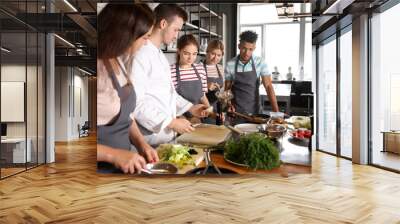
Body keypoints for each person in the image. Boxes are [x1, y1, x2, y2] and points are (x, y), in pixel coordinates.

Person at [131, 4, 208, 146]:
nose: (176, 35)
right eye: (176, 29)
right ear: (163, 24)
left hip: (166, 136)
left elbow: (169, 94)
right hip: (149, 138)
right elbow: (135, 104)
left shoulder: (160, 55)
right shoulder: (140, 54)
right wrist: (171, 122)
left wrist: (190, 108)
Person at [97, 4, 159, 174]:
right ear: (125, 35)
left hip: (121, 169)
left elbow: (127, 116)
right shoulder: (95, 72)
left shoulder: (118, 61)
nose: (146, 44)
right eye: (145, 37)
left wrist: (141, 144)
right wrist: (113, 155)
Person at [225, 30, 279, 124]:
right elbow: (227, 90)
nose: (247, 52)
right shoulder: (230, 64)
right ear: (239, 46)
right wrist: (228, 104)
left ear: (254, 48)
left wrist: (276, 113)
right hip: (237, 113)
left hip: (256, 114)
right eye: (244, 48)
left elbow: (268, 87)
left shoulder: (260, 62)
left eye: (250, 49)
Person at [203, 40, 225, 124]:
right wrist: (206, 87)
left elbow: (222, 90)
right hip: (204, 109)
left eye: (219, 55)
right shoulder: (199, 67)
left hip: (217, 109)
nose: (215, 58)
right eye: (213, 54)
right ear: (207, 52)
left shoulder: (220, 68)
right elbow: (194, 93)